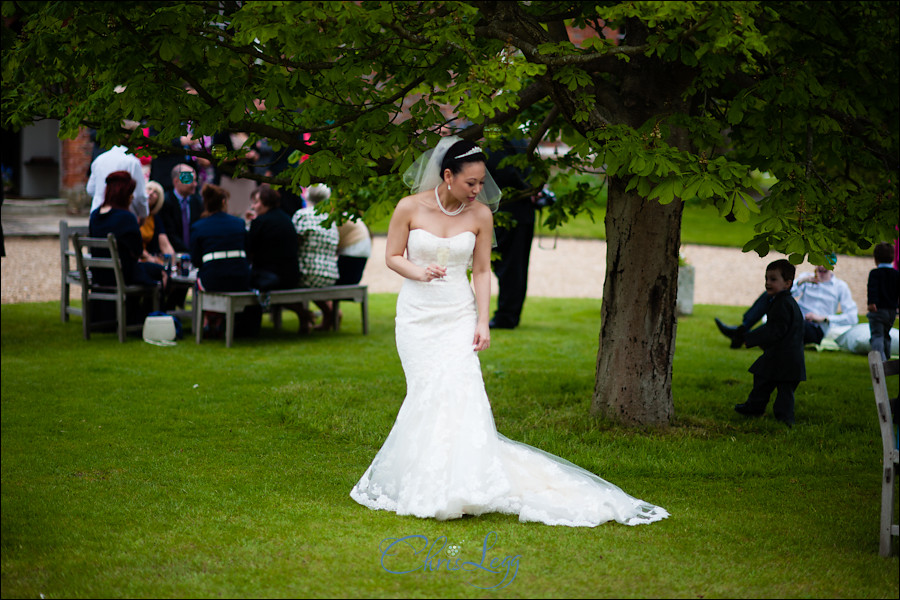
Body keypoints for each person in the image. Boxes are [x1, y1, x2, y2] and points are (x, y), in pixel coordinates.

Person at [349, 136, 668, 527]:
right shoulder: (409, 208)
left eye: (482, 182)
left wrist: (483, 320)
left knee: (459, 390)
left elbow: (482, 271)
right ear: (447, 176)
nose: (478, 189)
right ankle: (429, 479)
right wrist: (419, 271)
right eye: (470, 182)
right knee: (427, 392)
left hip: (457, 313)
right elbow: (392, 256)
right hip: (417, 316)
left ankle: (463, 483)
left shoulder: (480, 215)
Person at [715, 256, 858, 348]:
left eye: (824, 268)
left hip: (815, 328)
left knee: (780, 328)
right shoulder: (806, 279)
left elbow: (852, 317)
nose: (820, 270)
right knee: (769, 295)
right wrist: (801, 282)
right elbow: (785, 293)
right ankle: (743, 329)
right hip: (795, 319)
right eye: (818, 265)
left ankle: (740, 337)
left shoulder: (840, 287)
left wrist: (823, 318)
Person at [734, 259, 806, 427]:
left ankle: (784, 418)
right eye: (766, 279)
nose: (767, 283)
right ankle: (756, 407)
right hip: (785, 357)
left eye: (773, 279)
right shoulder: (783, 302)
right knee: (763, 379)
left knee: (782, 389)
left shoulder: (782, 304)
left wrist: (750, 338)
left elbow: (775, 330)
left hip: (784, 358)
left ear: (788, 283)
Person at [88, 171, 165, 325]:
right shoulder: (126, 217)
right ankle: (147, 318)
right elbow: (137, 252)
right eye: (130, 193)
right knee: (161, 272)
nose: (132, 197)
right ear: (124, 194)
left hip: (99, 274)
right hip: (123, 274)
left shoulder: (95, 215)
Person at [190, 183, 254, 337]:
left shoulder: (199, 226)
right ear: (224, 202)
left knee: (203, 279)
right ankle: (218, 320)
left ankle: (208, 319)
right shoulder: (238, 223)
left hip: (213, 280)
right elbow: (248, 252)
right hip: (240, 278)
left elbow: (196, 261)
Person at [486, 138, 535, 330]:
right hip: (519, 211)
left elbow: (505, 171)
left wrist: (526, 189)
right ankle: (508, 314)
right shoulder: (521, 141)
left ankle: (507, 316)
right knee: (513, 266)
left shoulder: (499, 143)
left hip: (510, 212)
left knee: (510, 267)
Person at [293, 183, 340, 331]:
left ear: (306, 195)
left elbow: (293, 242)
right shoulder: (329, 220)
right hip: (330, 276)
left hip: (306, 274)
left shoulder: (302, 215)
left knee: (282, 282)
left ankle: (304, 317)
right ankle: (329, 314)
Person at [246, 184, 300, 291]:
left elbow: (249, 249)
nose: (253, 207)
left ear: (266, 203)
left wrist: (249, 224)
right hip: (291, 277)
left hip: (270, 278)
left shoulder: (261, 222)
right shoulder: (286, 218)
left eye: (256, 202)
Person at [86, 145, 149, 221]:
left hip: (98, 214)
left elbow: (90, 189)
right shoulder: (132, 162)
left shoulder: (99, 159)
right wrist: (143, 214)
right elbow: (139, 195)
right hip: (124, 216)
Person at [159, 163, 203, 254]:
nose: (194, 184)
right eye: (190, 181)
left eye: (195, 180)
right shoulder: (165, 202)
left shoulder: (197, 202)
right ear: (176, 181)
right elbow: (170, 233)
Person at [866, 242, 899, 360]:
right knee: (885, 334)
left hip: (878, 310)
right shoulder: (896, 274)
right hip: (891, 311)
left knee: (877, 335)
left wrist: (872, 303)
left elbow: (873, 289)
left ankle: (880, 361)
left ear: (875, 258)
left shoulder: (875, 273)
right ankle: (887, 356)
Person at [139, 180, 176, 261]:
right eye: (149, 189)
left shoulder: (155, 219)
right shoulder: (135, 214)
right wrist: (149, 257)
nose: (151, 193)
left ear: (158, 200)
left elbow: (165, 245)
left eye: (155, 192)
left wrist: (172, 263)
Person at [336, 215, 372, 286]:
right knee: (350, 280)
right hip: (361, 246)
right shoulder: (345, 215)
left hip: (354, 247)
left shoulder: (337, 217)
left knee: (345, 282)